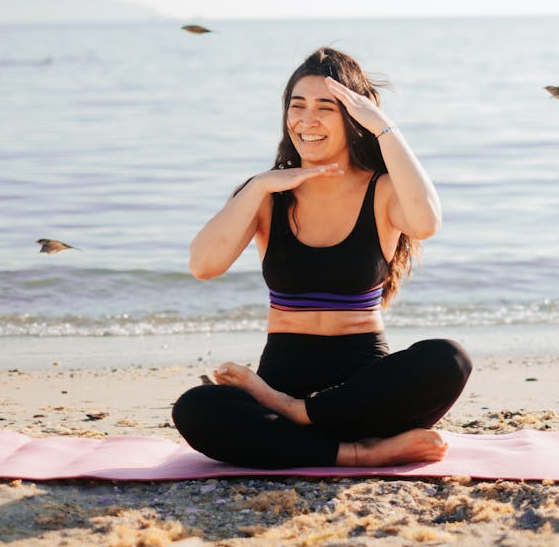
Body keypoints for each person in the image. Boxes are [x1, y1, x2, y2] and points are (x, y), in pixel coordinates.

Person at [172, 47, 471, 469]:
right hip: (282, 373)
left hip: (363, 390)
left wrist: (386, 128)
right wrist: (259, 186)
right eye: (297, 106)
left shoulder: (383, 189)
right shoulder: (266, 194)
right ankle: (357, 452)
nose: (306, 120)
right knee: (195, 408)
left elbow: (426, 223)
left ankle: (299, 419)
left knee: (449, 358)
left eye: (324, 107)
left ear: (354, 116)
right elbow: (203, 265)